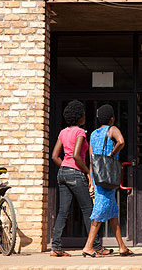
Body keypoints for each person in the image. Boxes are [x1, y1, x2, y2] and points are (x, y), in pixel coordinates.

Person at [50, 100, 112, 257]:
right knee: (88, 210)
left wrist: (65, 166)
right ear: (79, 116)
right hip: (76, 173)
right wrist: (85, 171)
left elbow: (54, 156)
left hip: (62, 173)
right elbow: (77, 155)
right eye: (83, 113)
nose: (85, 115)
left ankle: (56, 247)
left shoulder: (63, 132)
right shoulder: (81, 132)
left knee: (63, 211)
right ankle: (96, 247)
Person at [82, 104, 133, 257]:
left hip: (97, 176)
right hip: (107, 175)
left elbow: (91, 159)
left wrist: (90, 181)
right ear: (112, 118)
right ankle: (88, 246)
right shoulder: (112, 129)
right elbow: (122, 142)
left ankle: (122, 247)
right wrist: (112, 153)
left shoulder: (93, 134)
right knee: (100, 209)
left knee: (113, 212)